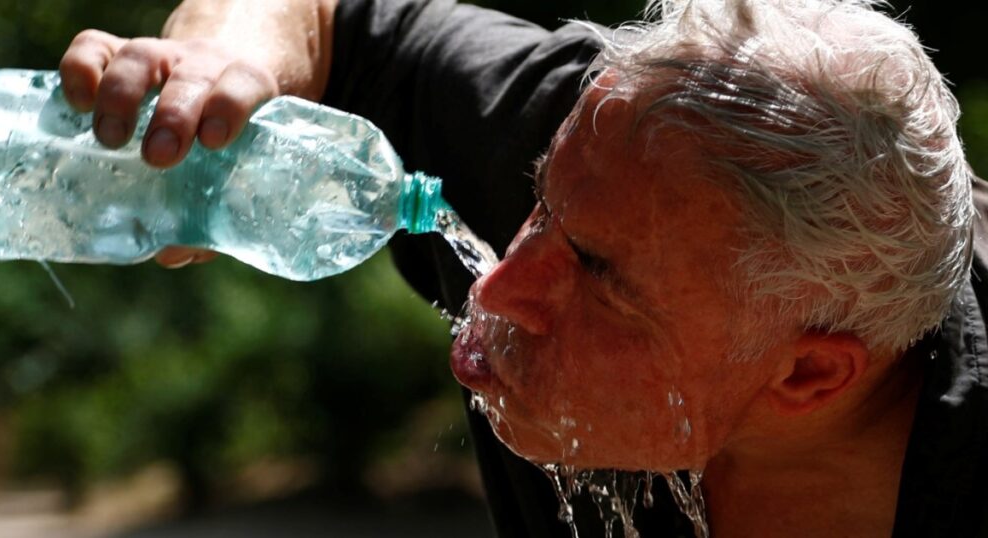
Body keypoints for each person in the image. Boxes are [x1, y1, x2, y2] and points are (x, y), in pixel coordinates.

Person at [58, 0, 987, 536]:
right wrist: (221, 64)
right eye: (543, 201)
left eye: (601, 275)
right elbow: (329, 17)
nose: (496, 284)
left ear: (809, 373)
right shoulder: (622, 152)